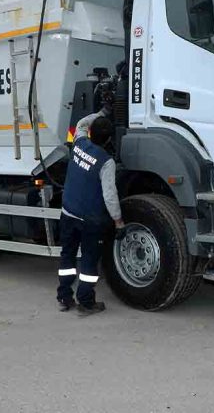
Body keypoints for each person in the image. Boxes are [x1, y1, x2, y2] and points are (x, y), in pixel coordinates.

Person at [57, 105, 123, 315]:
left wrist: (102, 113)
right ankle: (86, 302)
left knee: (67, 256)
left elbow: (81, 123)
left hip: (68, 212)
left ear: (91, 132)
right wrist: (118, 220)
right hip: (89, 219)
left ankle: (64, 297)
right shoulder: (106, 162)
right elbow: (110, 195)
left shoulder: (79, 143)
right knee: (88, 260)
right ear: (109, 140)